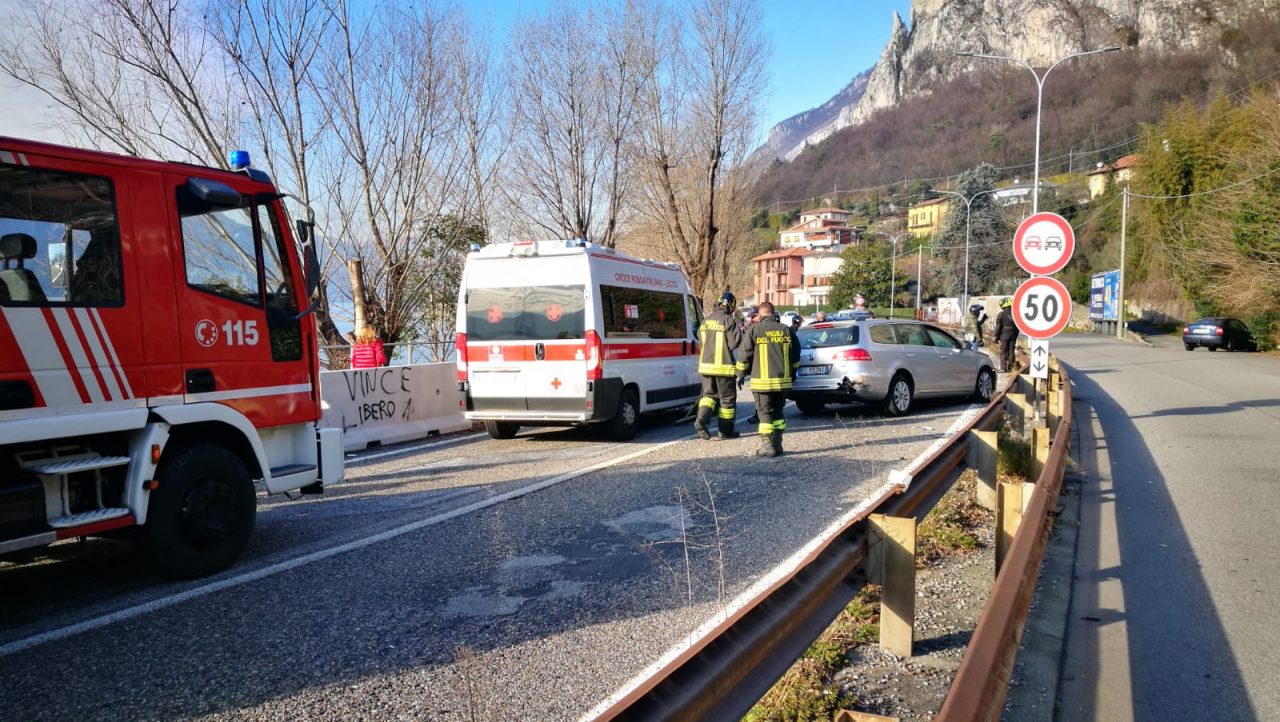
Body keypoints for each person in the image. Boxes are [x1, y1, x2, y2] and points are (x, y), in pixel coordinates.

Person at [736, 300, 800, 457]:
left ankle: (767, 446)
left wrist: (740, 374)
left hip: (762, 382)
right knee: (778, 413)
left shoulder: (755, 330)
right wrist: (792, 373)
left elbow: (745, 354)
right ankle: (777, 445)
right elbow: (796, 354)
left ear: (760, 314)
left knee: (764, 413)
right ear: (773, 312)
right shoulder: (786, 330)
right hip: (783, 381)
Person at [694, 291, 744, 440]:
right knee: (727, 400)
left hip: (705, 367)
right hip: (724, 368)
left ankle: (701, 420)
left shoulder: (705, 321)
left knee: (708, 396)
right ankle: (725, 431)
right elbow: (734, 343)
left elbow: (700, 340)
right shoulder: (729, 321)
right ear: (731, 306)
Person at [994, 298, 1018, 372]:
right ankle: (1011, 367)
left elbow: (998, 327)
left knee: (1003, 351)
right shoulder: (1016, 313)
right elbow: (1018, 326)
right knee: (1011, 351)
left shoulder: (1001, 314)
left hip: (1004, 335)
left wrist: (996, 337)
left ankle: (1003, 368)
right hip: (1014, 334)